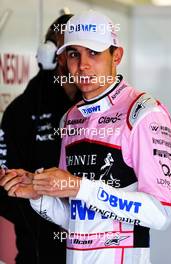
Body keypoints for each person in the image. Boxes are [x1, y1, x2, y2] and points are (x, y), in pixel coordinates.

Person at [0, 10, 171, 264]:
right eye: (74, 54)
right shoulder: (71, 118)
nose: (82, 65)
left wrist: (80, 186)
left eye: (94, 53)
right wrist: (39, 195)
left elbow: (162, 214)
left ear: (117, 56)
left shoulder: (144, 113)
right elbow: (74, 219)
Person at [0, 14, 80, 264]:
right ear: (50, 54)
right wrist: (44, 210)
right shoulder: (21, 112)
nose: (83, 62)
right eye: (73, 51)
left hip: (97, 253)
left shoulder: (104, 111)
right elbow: (7, 189)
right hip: (39, 252)